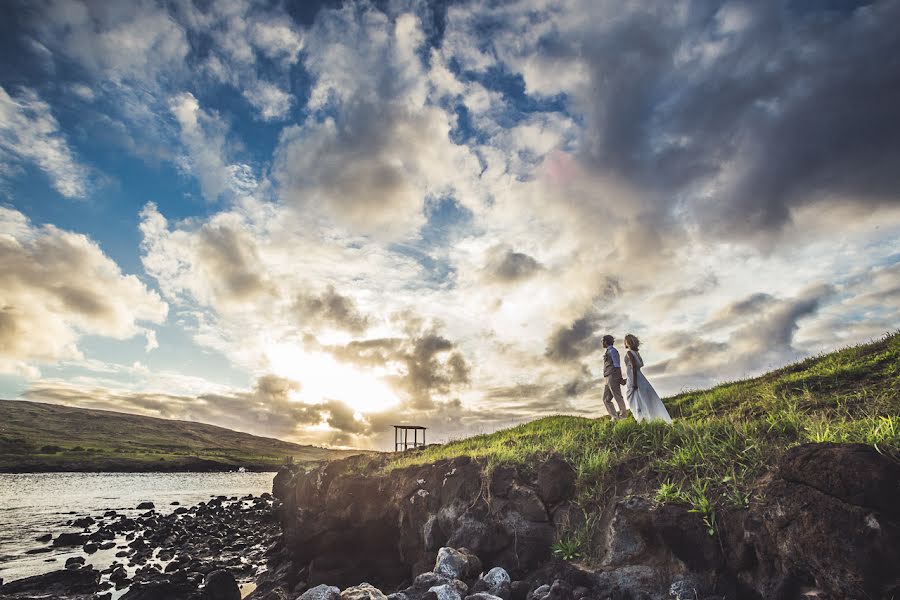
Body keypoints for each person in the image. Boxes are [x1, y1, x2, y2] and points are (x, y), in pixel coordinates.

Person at [623, 334, 672, 423]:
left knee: (634, 398)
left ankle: (642, 418)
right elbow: (640, 365)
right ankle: (647, 418)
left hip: (634, 377)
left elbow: (634, 366)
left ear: (628, 342)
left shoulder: (629, 352)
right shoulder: (637, 353)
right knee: (643, 398)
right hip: (639, 377)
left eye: (625, 341)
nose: (624, 342)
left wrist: (634, 382)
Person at [601, 334, 627, 420]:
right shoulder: (608, 351)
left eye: (602, 341)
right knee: (606, 399)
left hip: (613, 376)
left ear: (605, 342)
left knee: (617, 396)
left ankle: (623, 417)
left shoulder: (613, 351)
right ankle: (615, 417)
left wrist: (619, 378)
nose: (602, 343)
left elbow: (617, 365)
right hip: (607, 378)